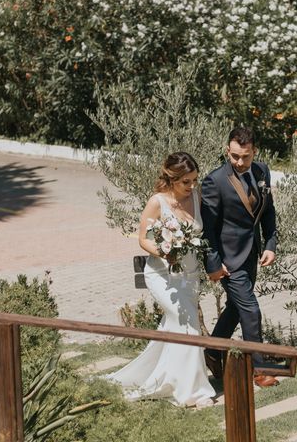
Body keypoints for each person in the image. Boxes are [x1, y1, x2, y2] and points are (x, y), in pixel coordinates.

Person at [105, 152, 216, 408]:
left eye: (194, 180)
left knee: (176, 328)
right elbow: (144, 239)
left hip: (189, 277)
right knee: (187, 325)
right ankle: (193, 392)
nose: (191, 186)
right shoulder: (158, 202)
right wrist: (166, 252)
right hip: (162, 275)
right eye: (185, 182)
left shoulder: (196, 199)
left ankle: (160, 377)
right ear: (171, 179)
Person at [201, 127, 279, 387]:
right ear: (227, 151)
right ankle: (259, 368)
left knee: (237, 307)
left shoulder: (262, 171)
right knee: (251, 309)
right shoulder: (215, 181)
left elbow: (268, 212)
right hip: (228, 259)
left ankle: (212, 351)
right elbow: (207, 228)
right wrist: (212, 263)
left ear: (254, 152)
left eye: (245, 157)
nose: (239, 162)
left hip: (252, 253)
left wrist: (270, 244)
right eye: (234, 156)